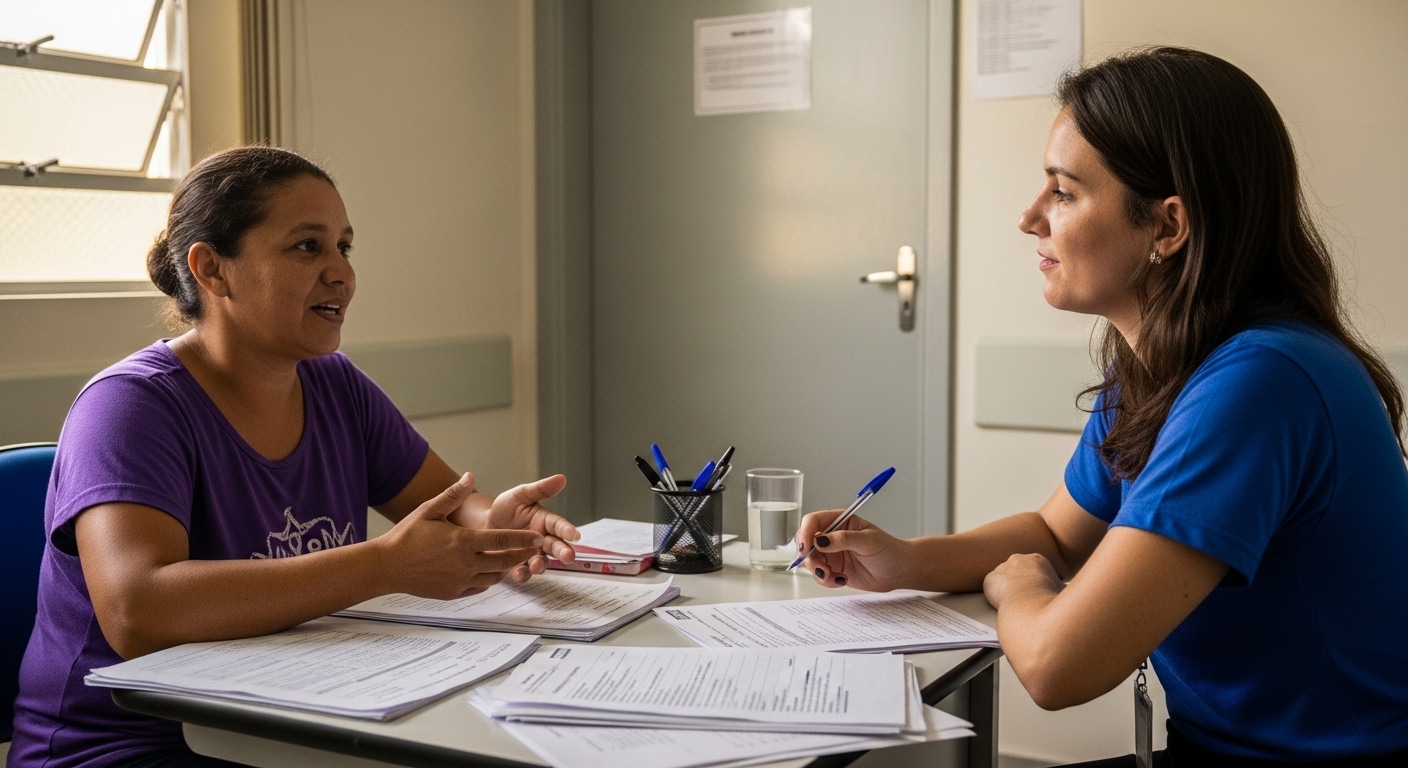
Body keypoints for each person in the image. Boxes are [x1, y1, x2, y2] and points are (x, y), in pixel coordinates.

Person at [797, 47, 1408, 765]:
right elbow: (1056, 536)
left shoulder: (1260, 383)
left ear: (1167, 228)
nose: (1030, 218)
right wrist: (907, 561)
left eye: (1063, 191)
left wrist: (1020, 585)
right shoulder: (1164, 364)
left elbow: (1059, 666)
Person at [8, 146, 580, 768]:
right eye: (308, 247)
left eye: (345, 247)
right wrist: (382, 566)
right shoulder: (129, 407)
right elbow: (137, 609)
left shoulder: (337, 385)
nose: (342, 273)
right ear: (212, 269)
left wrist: (493, 523)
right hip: (131, 748)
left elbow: (442, 504)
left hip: (294, 725)